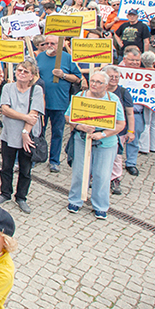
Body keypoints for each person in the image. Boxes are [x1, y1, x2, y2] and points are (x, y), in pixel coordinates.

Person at [65, 72, 126, 220]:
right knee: (80, 171)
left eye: (98, 82)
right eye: (92, 81)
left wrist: (103, 134)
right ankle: (75, 200)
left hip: (105, 142)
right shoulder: (81, 96)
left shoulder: (113, 99)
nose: (94, 84)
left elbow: (120, 124)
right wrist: (80, 126)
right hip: (83, 138)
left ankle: (100, 205)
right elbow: (68, 116)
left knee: (102, 175)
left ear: (106, 85)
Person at [0, 61, 44, 214]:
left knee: (25, 169)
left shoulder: (36, 90)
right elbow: (5, 110)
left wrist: (26, 132)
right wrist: (25, 117)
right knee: (6, 167)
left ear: (32, 76)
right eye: (19, 70)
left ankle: (21, 197)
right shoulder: (8, 87)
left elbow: (34, 114)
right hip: (9, 135)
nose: (21, 73)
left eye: (25, 71)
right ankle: (5, 193)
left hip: (27, 136)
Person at [36, 35, 82, 173]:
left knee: (57, 132)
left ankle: (54, 161)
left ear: (60, 44)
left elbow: (78, 78)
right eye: (47, 43)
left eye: (53, 43)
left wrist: (63, 75)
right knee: (39, 131)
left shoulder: (67, 58)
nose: (49, 45)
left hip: (60, 102)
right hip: (42, 102)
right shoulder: (39, 57)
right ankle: (37, 156)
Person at [103, 65, 135, 195]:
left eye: (116, 77)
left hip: (118, 130)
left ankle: (115, 178)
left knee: (116, 156)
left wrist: (131, 131)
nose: (114, 79)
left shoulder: (123, 92)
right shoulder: (99, 90)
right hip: (101, 128)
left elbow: (130, 113)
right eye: (111, 77)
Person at [119, 48, 144, 176]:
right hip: (120, 112)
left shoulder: (146, 74)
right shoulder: (117, 72)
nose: (135, 62)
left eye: (137, 60)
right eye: (131, 60)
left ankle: (131, 163)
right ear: (124, 59)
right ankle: (115, 161)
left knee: (134, 138)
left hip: (137, 112)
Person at [138, 52, 155, 156]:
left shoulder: (141, 74)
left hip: (147, 101)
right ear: (154, 61)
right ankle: (153, 146)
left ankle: (144, 146)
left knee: (146, 122)